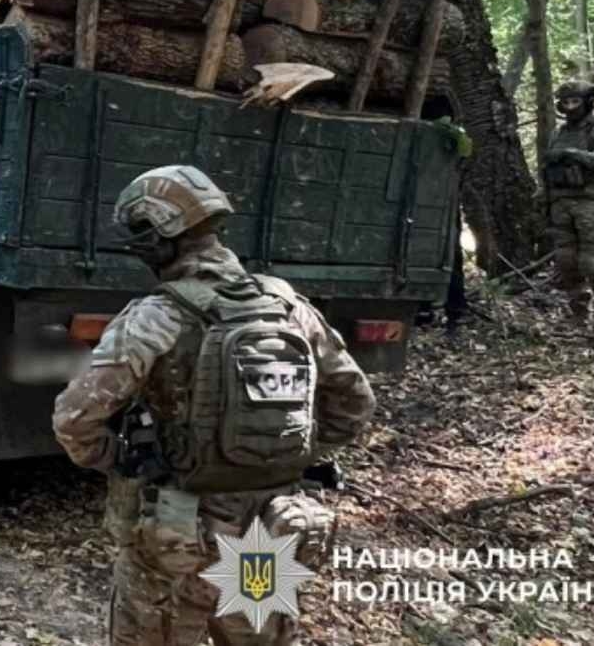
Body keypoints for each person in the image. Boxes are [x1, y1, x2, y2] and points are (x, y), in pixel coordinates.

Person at [52, 165, 375, 646]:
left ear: (157, 238)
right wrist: (283, 459)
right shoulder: (289, 307)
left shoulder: (156, 317)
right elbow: (355, 404)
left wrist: (123, 462)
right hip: (270, 527)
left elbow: (75, 420)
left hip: (176, 536)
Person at [544, 79, 594, 339]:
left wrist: (571, 153)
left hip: (591, 202)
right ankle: (577, 317)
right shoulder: (559, 132)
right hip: (561, 202)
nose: (570, 107)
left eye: (575, 101)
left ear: (587, 101)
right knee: (566, 262)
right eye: (565, 102)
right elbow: (548, 167)